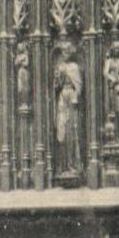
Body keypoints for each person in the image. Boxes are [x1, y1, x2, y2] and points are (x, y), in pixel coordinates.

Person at [53, 37, 83, 176]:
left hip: (71, 97)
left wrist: (75, 96)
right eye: (63, 51)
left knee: (72, 130)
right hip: (62, 98)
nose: (65, 54)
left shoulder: (74, 67)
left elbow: (79, 85)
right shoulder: (59, 66)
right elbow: (56, 87)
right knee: (61, 130)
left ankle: (72, 165)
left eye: (67, 51)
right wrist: (57, 78)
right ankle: (62, 165)